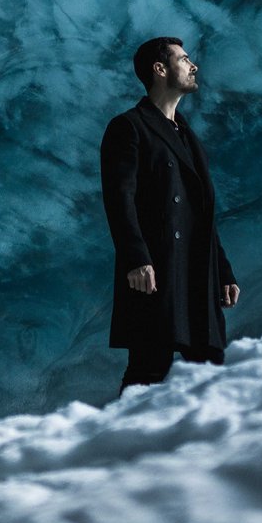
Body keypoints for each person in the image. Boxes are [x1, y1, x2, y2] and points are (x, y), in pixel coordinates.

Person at [99, 36, 240, 390]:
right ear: (160, 70)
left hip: (197, 272)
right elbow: (120, 199)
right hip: (156, 270)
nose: (194, 66)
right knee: (147, 370)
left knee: (209, 375)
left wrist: (222, 271)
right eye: (184, 60)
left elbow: (203, 214)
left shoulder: (190, 138)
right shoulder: (129, 126)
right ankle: (123, 444)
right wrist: (135, 258)